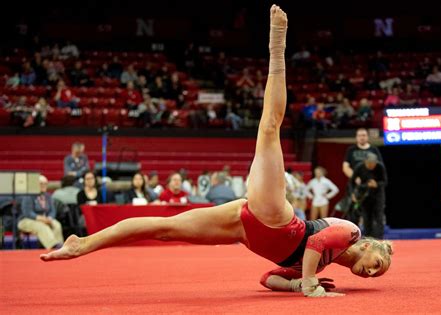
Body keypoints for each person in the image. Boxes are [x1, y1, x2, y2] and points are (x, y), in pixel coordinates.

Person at [40, 6, 393, 298]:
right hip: (276, 218)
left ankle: (81, 243)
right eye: (378, 263)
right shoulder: (351, 234)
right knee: (269, 128)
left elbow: (267, 279)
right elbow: (315, 239)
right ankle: (276, 47)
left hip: (243, 227)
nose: (371, 273)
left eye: (375, 276)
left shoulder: (325, 262)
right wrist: (310, 285)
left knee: (164, 228)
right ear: (369, 246)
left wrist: (298, 280)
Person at [342, 128, 384, 224]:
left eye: (364, 135)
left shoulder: (374, 149)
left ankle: (373, 236)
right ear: (356, 137)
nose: (362, 137)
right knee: (353, 213)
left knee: (372, 214)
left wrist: (374, 181)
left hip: (371, 187)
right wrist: (355, 177)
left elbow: (380, 168)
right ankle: (354, 236)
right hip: (356, 186)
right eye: (360, 135)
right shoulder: (351, 150)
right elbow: (345, 167)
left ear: (367, 137)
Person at [18, 175, 64, 249]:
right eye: (41, 184)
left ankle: (60, 246)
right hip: (27, 220)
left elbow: (52, 210)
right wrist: (40, 218)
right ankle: (53, 245)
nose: (44, 186)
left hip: (45, 218)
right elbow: (27, 212)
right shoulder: (28, 196)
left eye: (45, 184)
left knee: (56, 224)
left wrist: (50, 218)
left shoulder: (48, 196)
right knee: (41, 226)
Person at [351, 153, 387, 239]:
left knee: (379, 216)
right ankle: (368, 237)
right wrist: (353, 193)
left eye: (373, 164)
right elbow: (351, 182)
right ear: (365, 162)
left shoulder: (380, 167)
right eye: (369, 164)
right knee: (366, 217)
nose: (371, 166)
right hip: (364, 195)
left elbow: (385, 182)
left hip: (378, 195)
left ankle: (379, 238)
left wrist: (377, 184)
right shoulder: (359, 167)